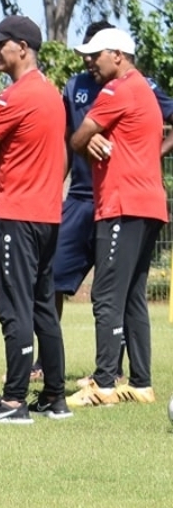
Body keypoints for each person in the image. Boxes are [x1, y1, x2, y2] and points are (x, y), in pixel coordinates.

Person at [54, 22, 173, 380]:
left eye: (97, 54)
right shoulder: (142, 90)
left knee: (105, 295)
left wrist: (86, 139)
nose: (91, 61)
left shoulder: (115, 90)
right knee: (134, 295)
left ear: (117, 56)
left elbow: (77, 140)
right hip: (149, 203)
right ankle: (140, 382)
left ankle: (105, 380)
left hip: (121, 204)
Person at [0, 15, 68, 423]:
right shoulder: (52, 93)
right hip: (47, 215)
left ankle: (13, 400)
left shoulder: (15, 96)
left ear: (22, 48)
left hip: (16, 215)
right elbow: (61, 157)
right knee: (43, 305)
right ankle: (54, 397)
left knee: (15, 307)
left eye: (0, 43)